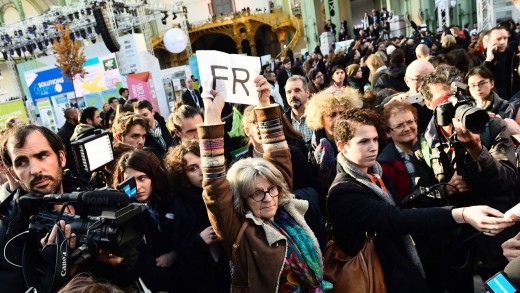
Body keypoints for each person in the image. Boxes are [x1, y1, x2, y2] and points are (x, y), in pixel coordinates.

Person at [327, 108, 514, 292]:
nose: (373, 146)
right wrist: (461, 214)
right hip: (375, 277)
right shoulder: (343, 192)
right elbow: (395, 219)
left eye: (375, 139)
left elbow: (402, 210)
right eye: (364, 141)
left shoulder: (376, 174)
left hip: (399, 268)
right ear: (343, 146)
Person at [198, 75, 331, 291]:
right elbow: (214, 187)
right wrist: (212, 114)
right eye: (257, 193)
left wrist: (263, 103)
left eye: (271, 189)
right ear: (242, 199)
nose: (269, 198)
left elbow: (278, 153)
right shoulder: (238, 230)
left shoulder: (284, 205)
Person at [0, 125, 138, 292]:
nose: (35, 170)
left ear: (61, 158)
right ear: (13, 173)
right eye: (21, 162)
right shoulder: (9, 234)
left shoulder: (90, 199)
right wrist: (56, 271)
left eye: (42, 156)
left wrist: (121, 261)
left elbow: (131, 273)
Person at [420, 65, 520, 285]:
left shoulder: (491, 125)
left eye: (457, 98)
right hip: (457, 247)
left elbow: (508, 179)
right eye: (445, 101)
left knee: (503, 289)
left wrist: (478, 151)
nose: (454, 105)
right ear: (429, 105)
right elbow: (417, 196)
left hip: (497, 242)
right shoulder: (425, 142)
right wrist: (445, 189)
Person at [163, 141, 231, 292]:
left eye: (204, 164)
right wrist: (198, 241)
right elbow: (179, 251)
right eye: (193, 168)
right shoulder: (178, 204)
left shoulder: (227, 190)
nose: (202, 172)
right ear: (182, 173)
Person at [477, 26, 520, 100]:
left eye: (505, 38)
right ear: (489, 40)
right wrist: (488, 60)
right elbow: (478, 80)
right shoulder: (479, 59)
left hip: (513, 102)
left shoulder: (514, 57)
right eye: (498, 39)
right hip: (490, 103)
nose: (502, 42)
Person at [284, 75, 313, 143]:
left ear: (307, 93)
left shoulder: (319, 116)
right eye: (289, 92)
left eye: (297, 90)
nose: (292, 95)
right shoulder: (284, 121)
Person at [57, 108, 79, 174]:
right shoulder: (62, 133)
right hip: (73, 167)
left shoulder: (78, 127)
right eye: (75, 113)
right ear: (71, 116)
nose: (77, 114)